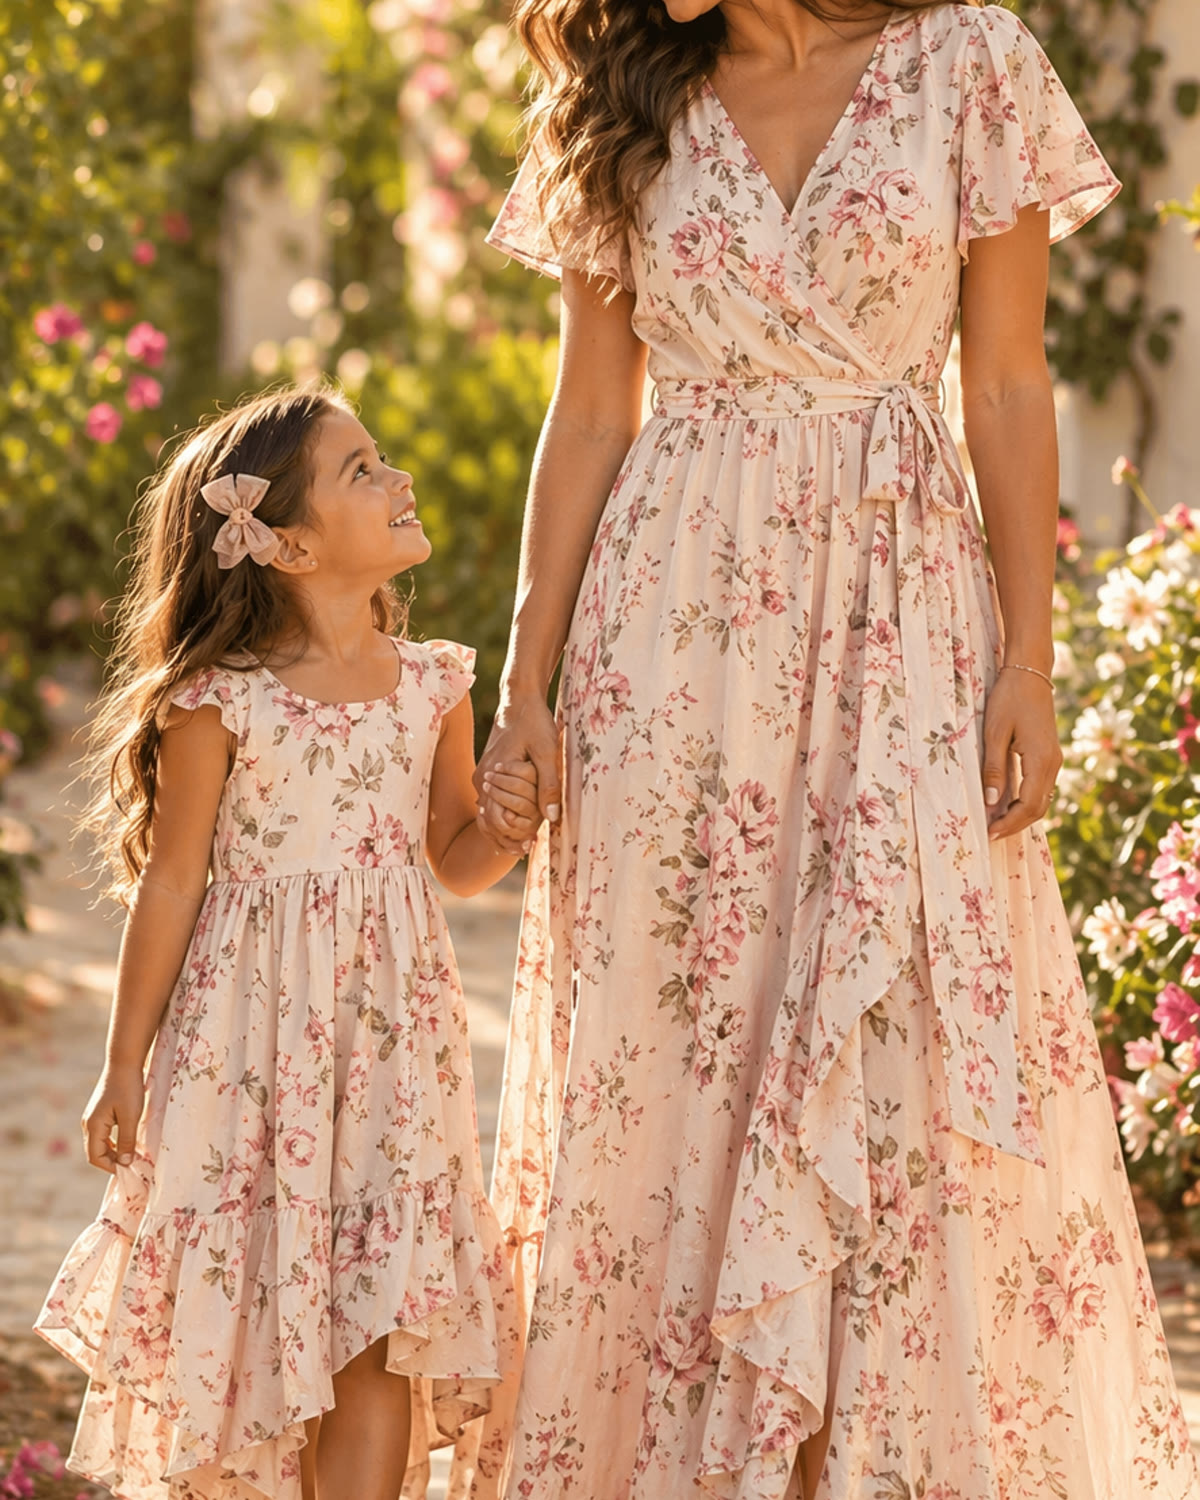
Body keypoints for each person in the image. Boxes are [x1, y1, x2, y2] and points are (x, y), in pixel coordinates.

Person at [460, 1, 1200, 1497]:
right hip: (667, 644)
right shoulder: (624, 94)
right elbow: (592, 410)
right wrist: (525, 681)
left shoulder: (970, 62)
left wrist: (1029, 662)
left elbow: (1004, 381)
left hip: (899, 618)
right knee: (680, 1047)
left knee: (900, 1038)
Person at [35, 385, 538, 1500]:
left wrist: (506, 824)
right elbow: (172, 887)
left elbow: (451, 859)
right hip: (249, 1049)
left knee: (377, 1310)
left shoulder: (435, 685)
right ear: (292, 544)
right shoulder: (222, 703)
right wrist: (125, 1064)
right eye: (363, 468)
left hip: (390, 1049)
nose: (398, 477)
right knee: (267, 1306)